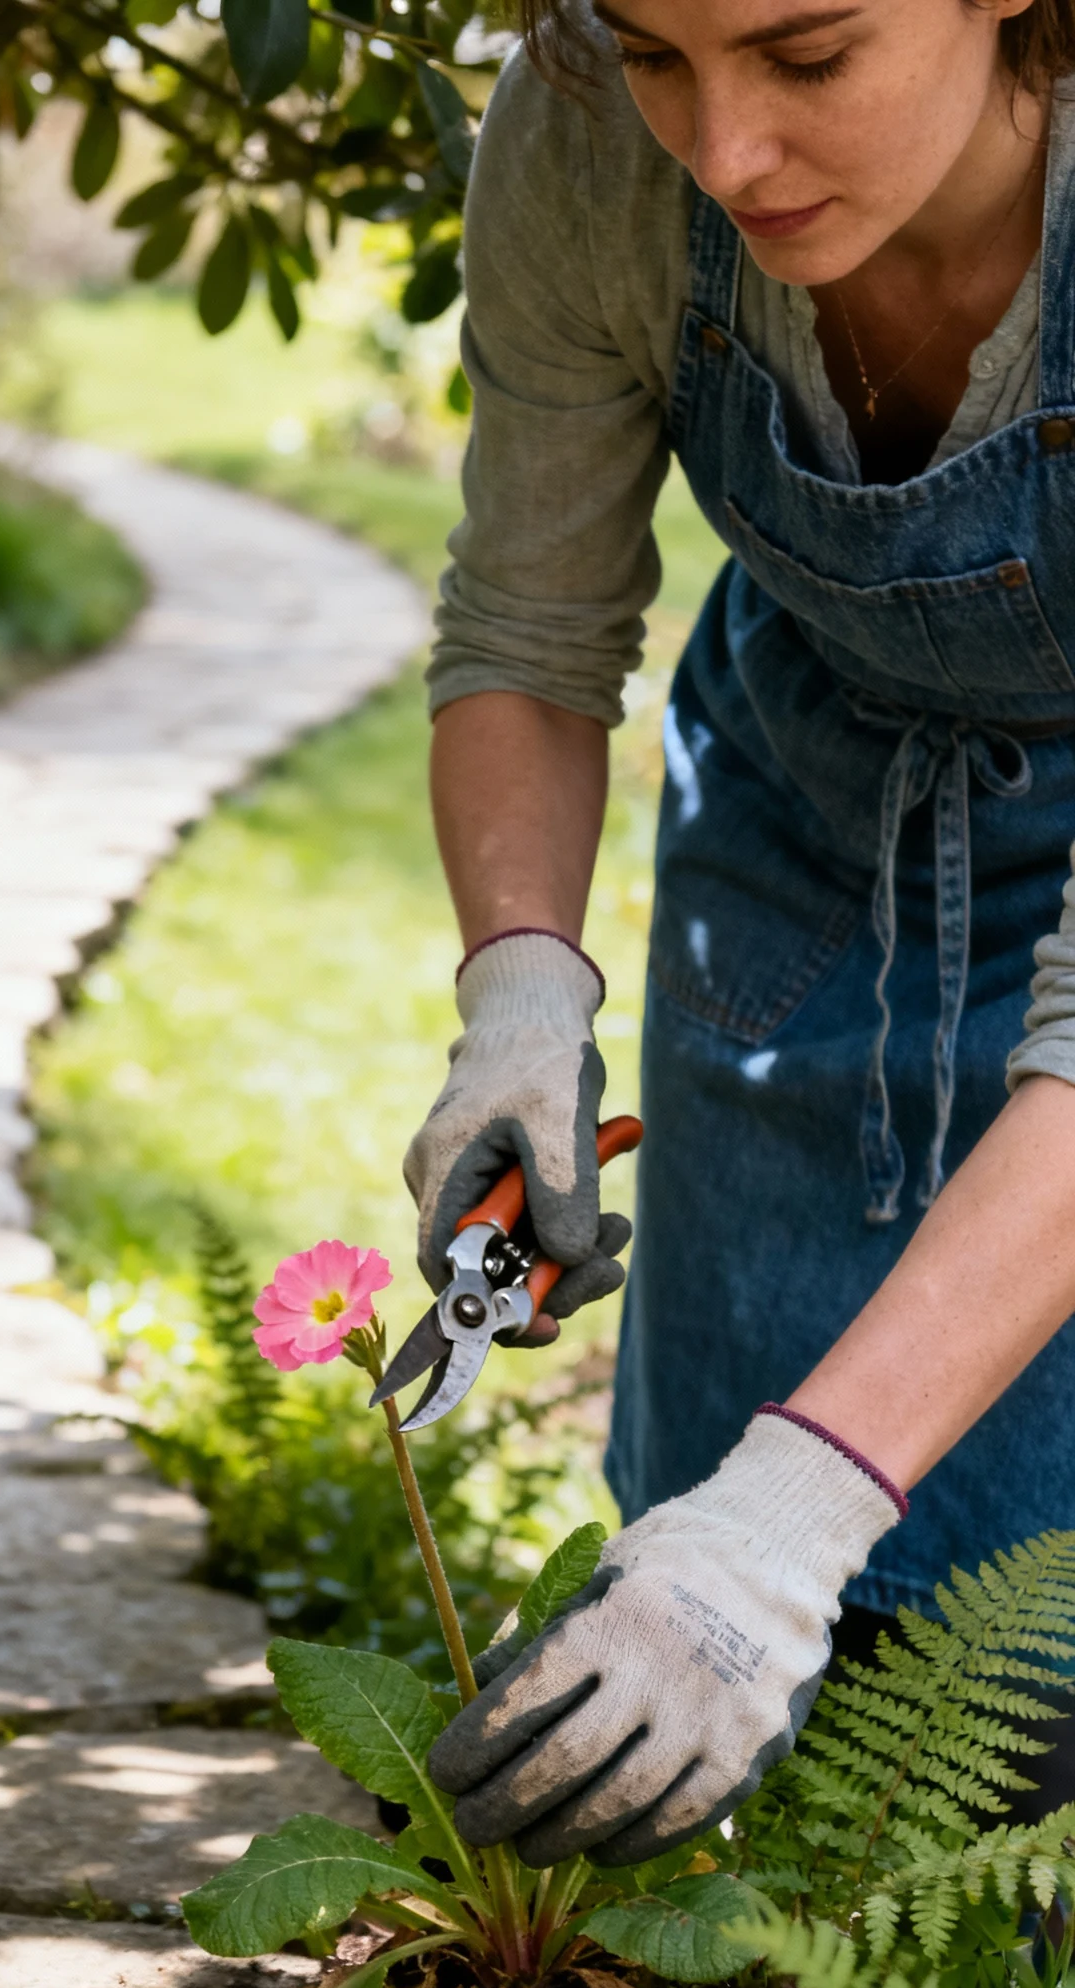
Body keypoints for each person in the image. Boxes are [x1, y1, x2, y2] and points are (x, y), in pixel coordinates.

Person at [415, 0, 1075, 1861]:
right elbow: (527, 635)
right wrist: (520, 1000)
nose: (722, 153)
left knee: (1027, 1704)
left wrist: (790, 1525)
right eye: (656, 53)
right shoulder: (579, 140)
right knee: (742, 1725)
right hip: (802, 839)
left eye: (806, 56)